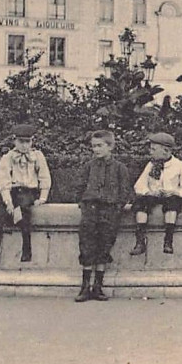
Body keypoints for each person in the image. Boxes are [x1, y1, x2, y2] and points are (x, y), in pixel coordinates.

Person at [75, 130, 133, 303]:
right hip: (91, 210)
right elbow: (80, 185)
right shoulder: (89, 166)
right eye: (93, 146)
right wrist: (82, 202)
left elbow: (125, 189)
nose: (96, 149)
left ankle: (98, 287)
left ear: (110, 146)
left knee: (104, 246)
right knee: (87, 245)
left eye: (100, 146)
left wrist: (118, 207)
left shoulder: (119, 168)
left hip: (109, 211)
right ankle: (85, 287)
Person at [0, 123, 51, 268]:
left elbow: (44, 177)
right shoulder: (7, 158)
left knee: (22, 211)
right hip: (11, 191)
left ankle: (27, 250)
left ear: (32, 141)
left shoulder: (37, 156)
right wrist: (8, 202)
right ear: (14, 141)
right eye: (21, 141)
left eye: (28, 141)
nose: (25, 145)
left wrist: (43, 197)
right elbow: (3, 180)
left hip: (28, 191)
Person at [130, 132, 182, 256]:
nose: (150, 152)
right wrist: (150, 192)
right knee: (141, 203)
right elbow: (139, 185)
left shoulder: (180, 166)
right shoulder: (151, 165)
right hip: (154, 196)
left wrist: (174, 191)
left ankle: (168, 240)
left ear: (166, 151)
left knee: (172, 203)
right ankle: (140, 241)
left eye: (154, 149)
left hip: (170, 197)